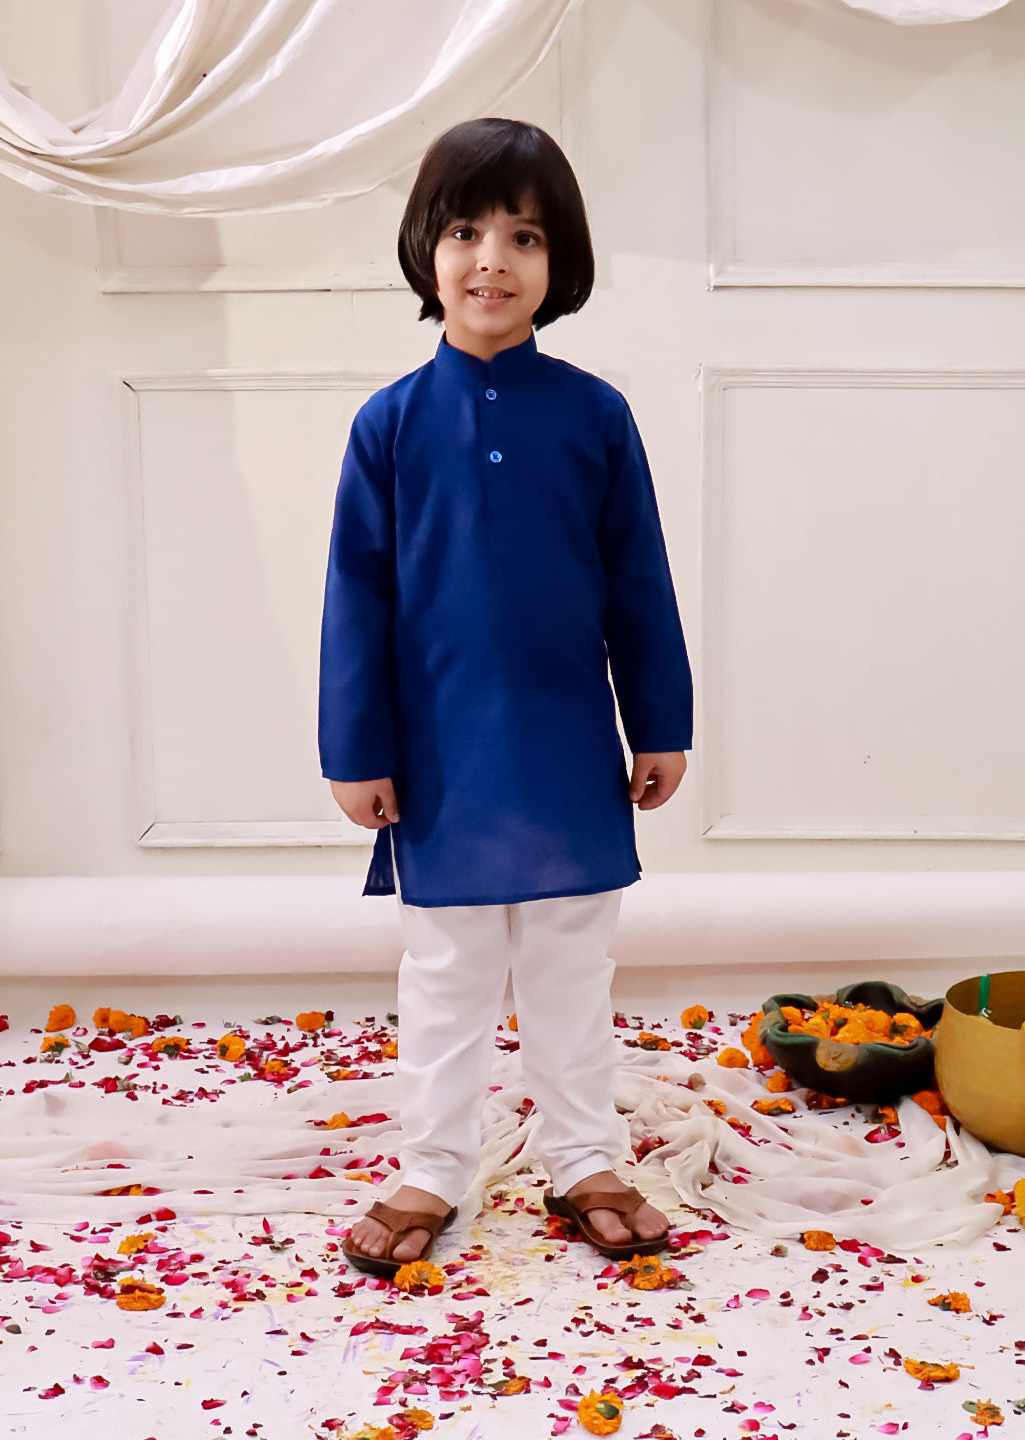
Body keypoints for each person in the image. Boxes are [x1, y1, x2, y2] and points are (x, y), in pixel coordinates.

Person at [318, 118, 692, 1277]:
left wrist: (661, 723)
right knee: (445, 974)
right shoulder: (388, 426)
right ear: (425, 250)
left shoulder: (596, 416)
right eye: (467, 231)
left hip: (569, 748)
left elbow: (639, 579)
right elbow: (356, 598)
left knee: (576, 968)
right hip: (440, 760)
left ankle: (584, 1157)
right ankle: (434, 1164)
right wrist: (354, 750)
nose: (493, 259)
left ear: (558, 259)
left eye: (524, 236)